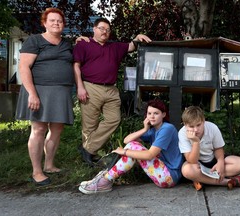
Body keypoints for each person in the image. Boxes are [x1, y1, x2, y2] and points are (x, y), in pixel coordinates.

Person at [73, 17, 152, 166]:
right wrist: (80, 87)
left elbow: (130, 46)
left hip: (111, 88)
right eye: (102, 28)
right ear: (94, 29)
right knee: (90, 125)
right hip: (90, 87)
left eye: (108, 30)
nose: (105, 32)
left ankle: (87, 149)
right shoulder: (84, 44)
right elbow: (76, 66)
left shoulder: (114, 47)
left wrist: (137, 38)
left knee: (114, 119)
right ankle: (91, 155)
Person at [15, 8, 74, 186]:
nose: (56, 23)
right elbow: (24, 67)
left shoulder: (67, 44)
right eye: (52, 20)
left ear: (63, 24)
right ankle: (36, 171)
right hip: (39, 90)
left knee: (56, 129)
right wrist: (32, 94)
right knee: (39, 130)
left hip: (61, 91)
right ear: (45, 22)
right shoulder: (34, 41)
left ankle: (49, 165)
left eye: (60, 21)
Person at [78, 99, 184, 194]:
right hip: (162, 174)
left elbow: (150, 155)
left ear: (164, 114)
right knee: (131, 145)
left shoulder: (167, 129)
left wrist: (124, 152)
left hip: (169, 176)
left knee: (133, 147)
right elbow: (126, 140)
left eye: (156, 113)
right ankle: (105, 179)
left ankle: (105, 180)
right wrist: (144, 129)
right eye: (149, 113)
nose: (152, 116)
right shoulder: (152, 131)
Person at [178, 106, 240, 190]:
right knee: (186, 170)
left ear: (203, 121)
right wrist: (196, 142)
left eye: (198, 125)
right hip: (197, 164)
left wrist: (220, 162)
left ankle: (202, 179)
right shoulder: (182, 133)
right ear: (185, 125)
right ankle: (226, 181)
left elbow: (218, 148)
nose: (196, 129)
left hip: (213, 161)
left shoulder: (212, 128)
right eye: (191, 126)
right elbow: (192, 160)